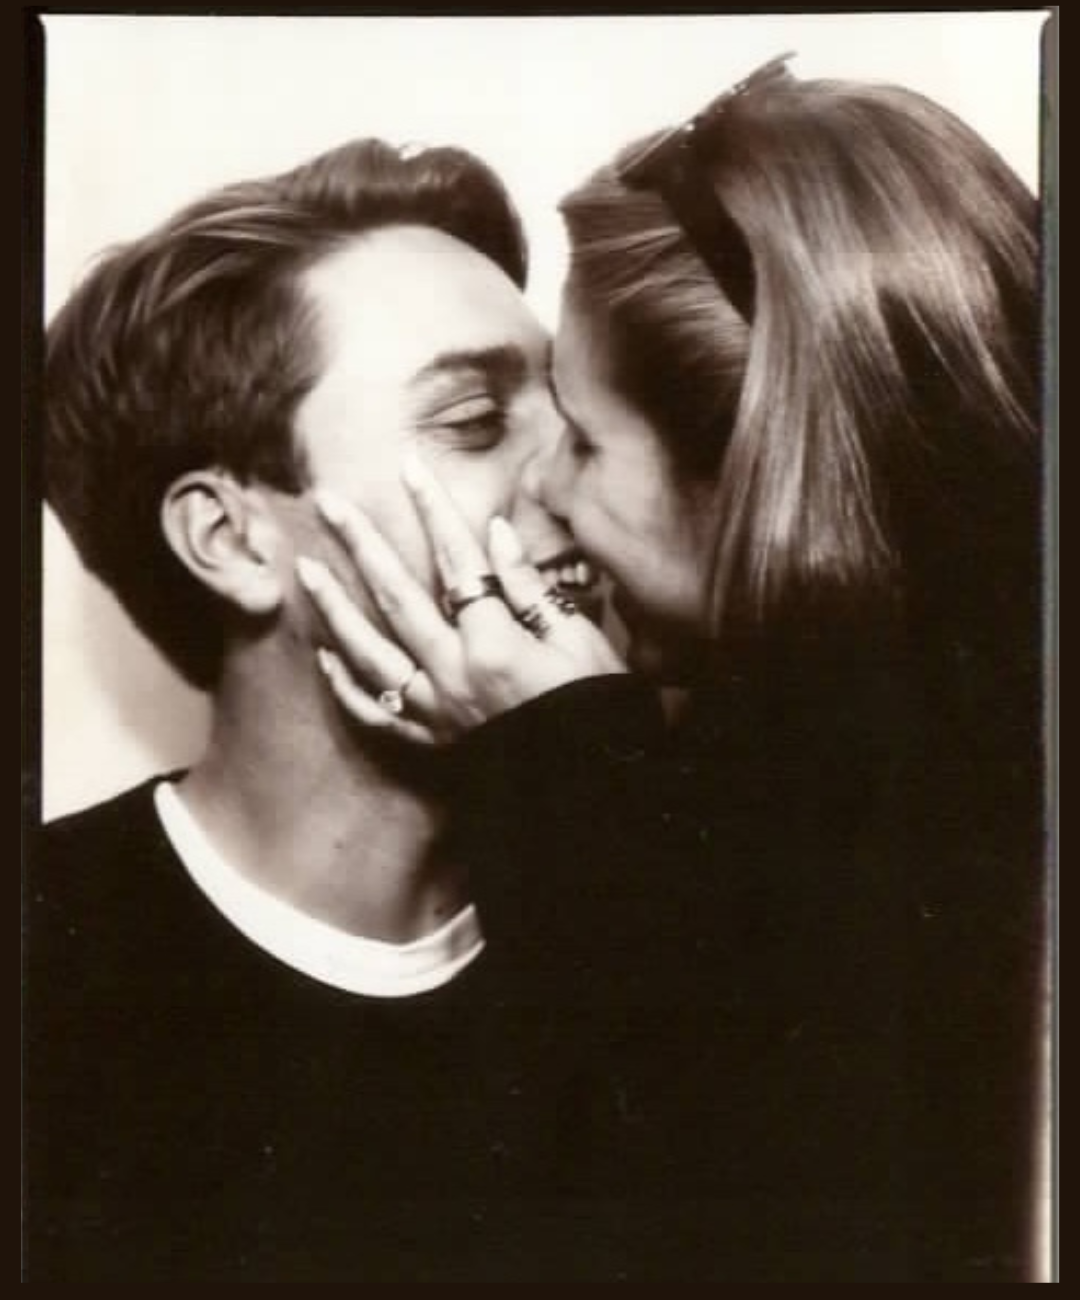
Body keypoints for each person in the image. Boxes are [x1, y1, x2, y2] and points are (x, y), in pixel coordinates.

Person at [300, 58, 1047, 1281]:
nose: (540, 490)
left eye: (583, 440)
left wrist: (562, 755)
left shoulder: (917, 850)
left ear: (754, 471)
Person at [28, 136, 612, 1280]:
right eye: (476, 420)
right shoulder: (50, 973)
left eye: (568, 405)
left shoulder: (646, 909)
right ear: (233, 539)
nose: (575, 471)